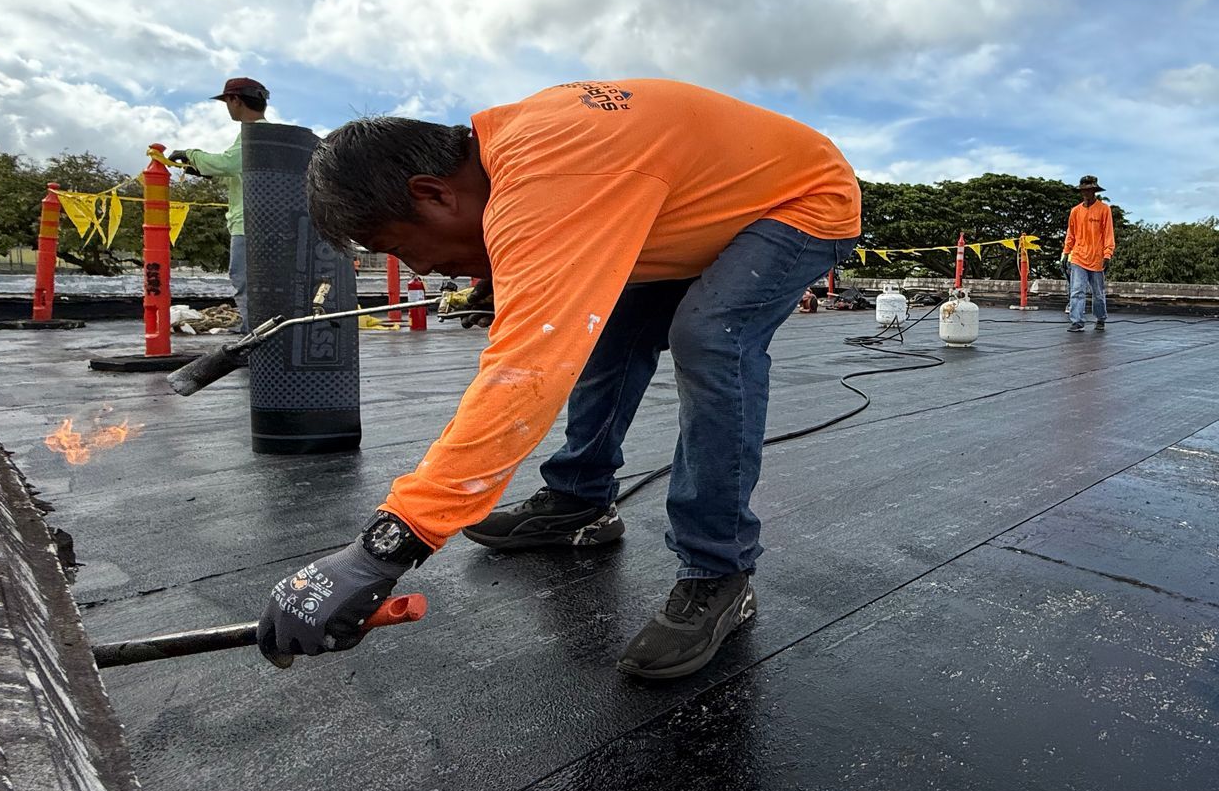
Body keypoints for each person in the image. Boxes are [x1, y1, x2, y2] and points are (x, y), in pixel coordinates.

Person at [255, 79, 860, 680]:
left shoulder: (550, 177)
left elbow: (527, 373)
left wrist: (388, 544)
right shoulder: (515, 152)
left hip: (802, 199)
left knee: (710, 338)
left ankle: (718, 570)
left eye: (400, 246)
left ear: (433, 193)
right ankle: (580, 501)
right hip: (692, 207)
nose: (421, 268)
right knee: (612, 330)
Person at [170, 76, 270, 328]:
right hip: (261, 222)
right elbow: (238, 174)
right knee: (258, 281)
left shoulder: (255, 134)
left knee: (244, 279)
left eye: (228, 101)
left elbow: (228, 163)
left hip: (247, 225)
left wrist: (190, 154)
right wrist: (203, 170)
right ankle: (258, 328)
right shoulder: (265, 137)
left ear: (235, 100)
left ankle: (253, 333)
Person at [1063, 174, 1115, 332]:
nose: (1086, 193)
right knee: (1077, 290)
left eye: (1089, 190)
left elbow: (1108, 234)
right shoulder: (1075, 211)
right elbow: (1070, 234)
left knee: (1098, 293)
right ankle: (1077, 321)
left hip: (1097, 257)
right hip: (1078, 256)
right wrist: (1066, 252)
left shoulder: (1104, 210)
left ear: (1094, 191)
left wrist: (1108, 254)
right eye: (1083, 190)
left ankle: (1100, 318)